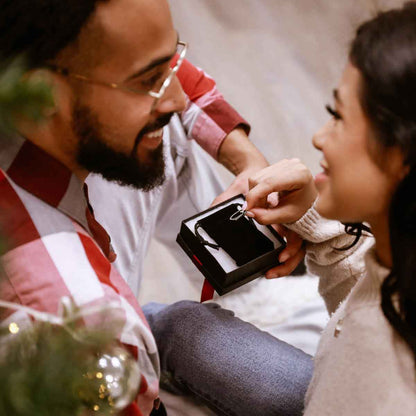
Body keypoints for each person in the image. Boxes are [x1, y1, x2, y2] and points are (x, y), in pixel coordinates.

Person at [0, 0, 306, 415]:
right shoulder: (88, 331)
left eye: (170, 67)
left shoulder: (20, 72)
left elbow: (172, 74)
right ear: (46, 94)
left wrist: (248, 161)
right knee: (303, 397)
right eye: (148, 79)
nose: (179, 98)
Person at [145, 3, 416, 415]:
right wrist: (323, 223)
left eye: (338, 117)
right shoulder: (398, 263)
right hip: (334, 380)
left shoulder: (387, 397)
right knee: (184, 327)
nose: (319, 137)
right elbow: (365, 307)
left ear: (401, 158)